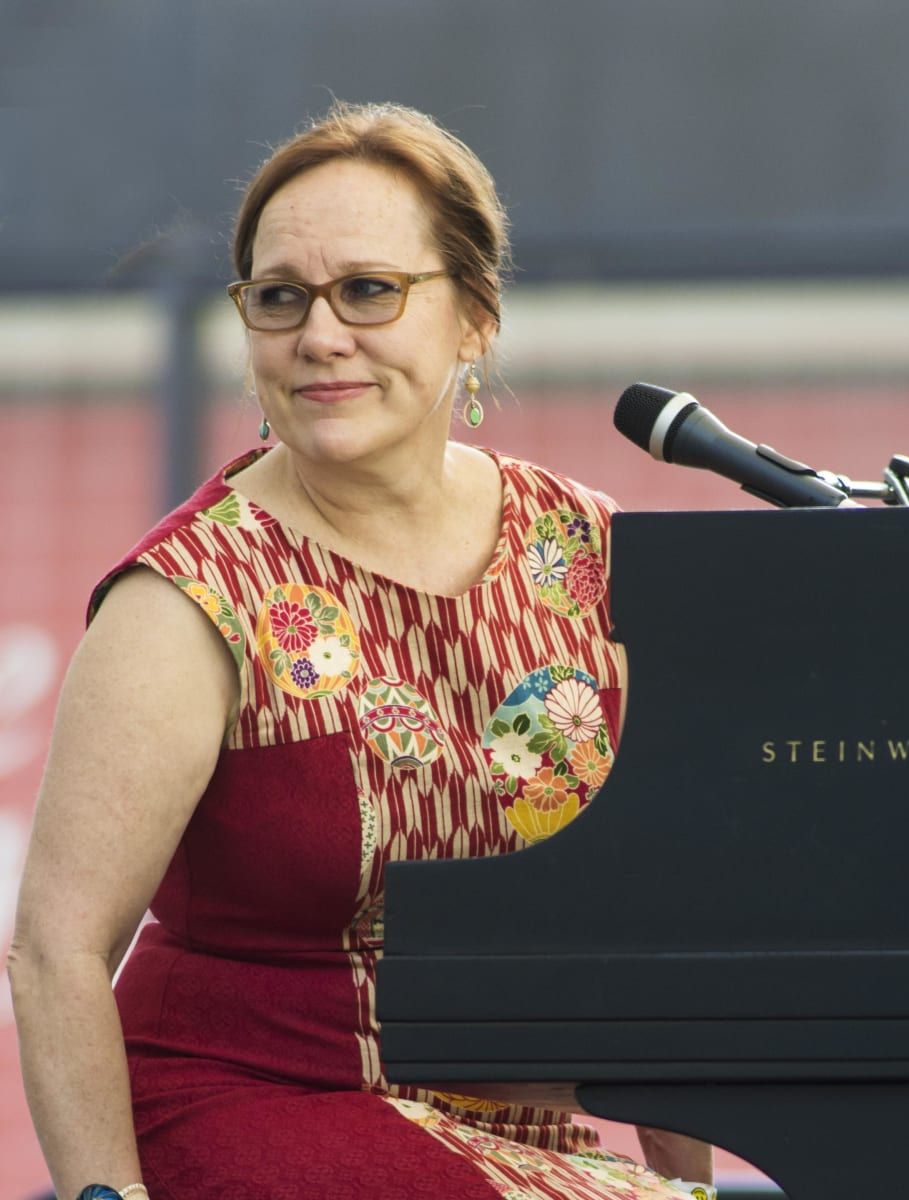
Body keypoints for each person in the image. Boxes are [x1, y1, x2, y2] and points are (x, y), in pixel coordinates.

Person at [8, 101, 712, 1200]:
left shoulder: (580, 547)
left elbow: (652, 915)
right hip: (245, 1106)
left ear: (475, 316)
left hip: (524, 1145)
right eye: (279, 298)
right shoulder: (193, 596)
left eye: (369, 291)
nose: (320, 335)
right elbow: (54, 953)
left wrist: (685, 1179)